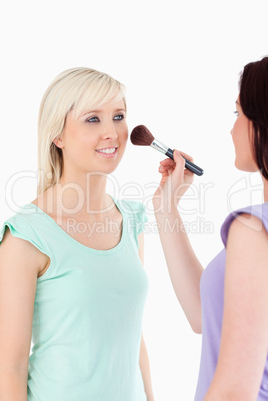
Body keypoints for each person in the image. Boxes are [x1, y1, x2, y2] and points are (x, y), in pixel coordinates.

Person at [0, 67, 154, 401]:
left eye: (118, 116)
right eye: (93, 119)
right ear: (58, 135)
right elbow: (9, 367)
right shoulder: (27, 235)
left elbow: (132, 335)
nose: (112, 132)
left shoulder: (133, 219)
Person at [153, 56, 268, 400]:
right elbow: (206, 317)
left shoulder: (253, 229)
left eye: (237, 114)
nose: (231, 129)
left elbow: (234, 390)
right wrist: (166, 209)